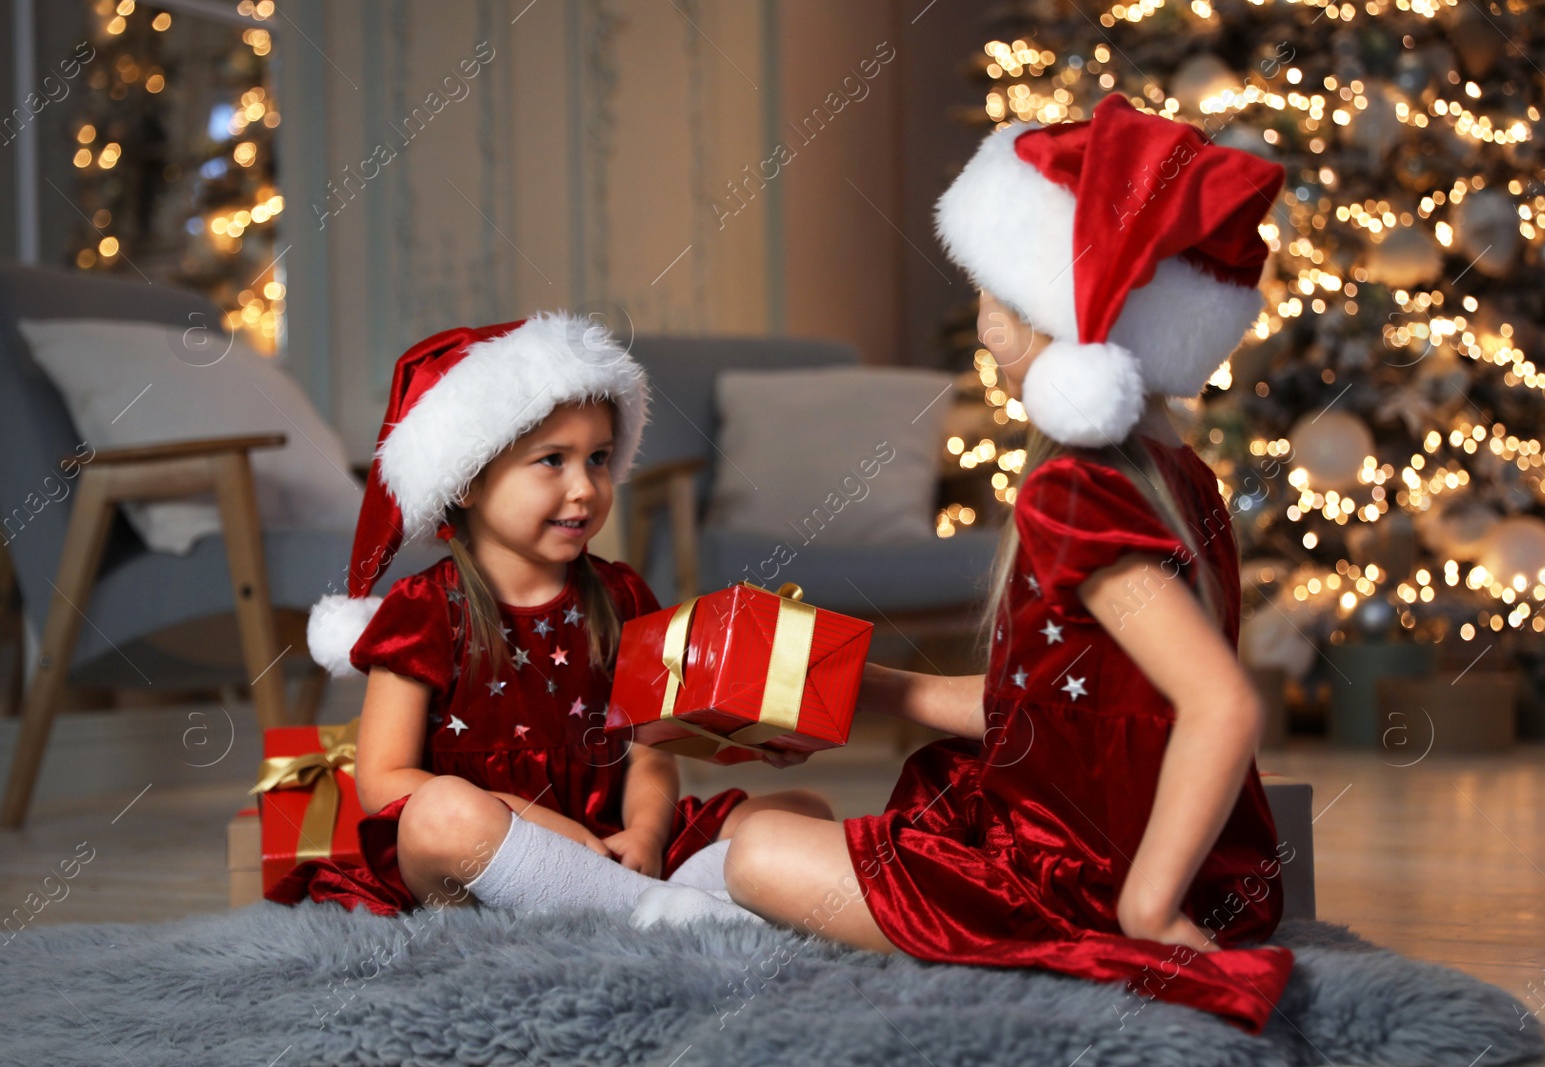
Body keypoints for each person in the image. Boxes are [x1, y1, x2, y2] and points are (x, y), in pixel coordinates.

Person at [723, 94, 1297, 1034]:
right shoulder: (1176, 475)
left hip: (1077, 873)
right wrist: (867, 688)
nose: (983, 323)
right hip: (1128, 839)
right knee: (862, 805)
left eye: (992, 291)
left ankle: (1081, 945)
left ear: (1050, 314)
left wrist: (1147, 910)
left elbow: (1221, 703)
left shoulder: (1075, 490)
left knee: (755, 851)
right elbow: (1055, 704)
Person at [268, 312, 829, 921]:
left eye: (598, 458)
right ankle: (652, 908)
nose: (586, 487)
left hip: (611, 837)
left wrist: (642, 834)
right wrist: (529, 817)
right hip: (492, 850)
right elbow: (383, 780)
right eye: (552, 460)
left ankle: (632, 897)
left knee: (802, 812)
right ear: (468, 481)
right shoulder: (423, 612)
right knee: (440, 816)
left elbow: (650, 756)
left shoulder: (620, 596)